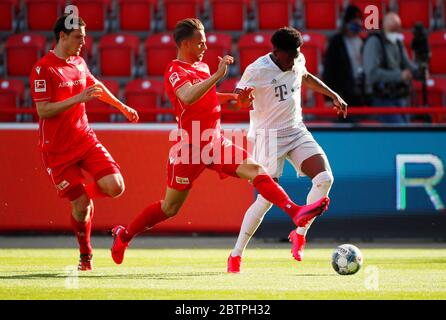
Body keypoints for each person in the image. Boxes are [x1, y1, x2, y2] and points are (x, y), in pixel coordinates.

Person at [109, 18, 330, 265]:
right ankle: (124, 235)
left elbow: (208, 98)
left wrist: (236, 97)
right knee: (169, 208)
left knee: (256, 170)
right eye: (200, 43)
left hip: (215, 142)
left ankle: (295, 211)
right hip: (189, 148)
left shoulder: (202, 68)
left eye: (205, 42)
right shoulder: (175, 70)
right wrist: (217, 75)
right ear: (184, 44)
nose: (205, 47)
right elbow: (188, 96)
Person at [228, 27, 348, 273]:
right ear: (276, 52)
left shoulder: (297, 59)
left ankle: (299, 234)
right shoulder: (257, 69)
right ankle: (236, 254)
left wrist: (332, 94)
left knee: (325, 178)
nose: (294, 60)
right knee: (265, 200)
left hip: (295, 130)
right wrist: (241, 101)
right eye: (289, 56)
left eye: (297, 54)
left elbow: (305, 76)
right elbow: (238, 96)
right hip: (267, 137)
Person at [29, 15, 139, 271]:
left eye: (85, 37)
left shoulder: (78, 62)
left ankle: (77, 195)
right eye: (78, 37)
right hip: (57, 150)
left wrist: (122, 106)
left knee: (115, 186)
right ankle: (86, 254)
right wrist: (78, 98)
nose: (83, 42)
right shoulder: (43, 68)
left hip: (84, 139)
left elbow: (96, 86)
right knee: (82, 207)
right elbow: (43, 111)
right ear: (62, 36)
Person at [363, 12, 420, 123]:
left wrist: (419, 72)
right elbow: (371, 74)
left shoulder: (398, 42)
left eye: (397, 28)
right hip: (381, 98)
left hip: (399, 96)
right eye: (392, 28)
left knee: (408, 130)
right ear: (384, 26)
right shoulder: (374, 42)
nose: (395, 31)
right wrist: (399, 75)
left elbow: (407, 64)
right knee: (400, 130)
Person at [323, 5, 366, 111]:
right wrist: (329, 97)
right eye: (354, 22)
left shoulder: (363, 42)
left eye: (359, 22)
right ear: (346, 23)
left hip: (361, 93)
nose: (357, 25)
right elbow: (329, 70)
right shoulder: (336, 42)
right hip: (343, 94)